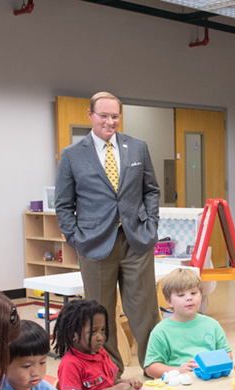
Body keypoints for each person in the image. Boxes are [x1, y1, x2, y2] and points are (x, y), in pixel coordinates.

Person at [55, 91, 161, 375]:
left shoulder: (137, 148)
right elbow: (64, 204)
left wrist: (151, 223)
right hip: (94, 243)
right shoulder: (72, 155)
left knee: (144, 308)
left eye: (115, 116)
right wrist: (75, 238)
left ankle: (153, 365)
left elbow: (151, 189)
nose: (110, 122)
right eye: (104, 116)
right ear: (90, 115)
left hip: (136, 239)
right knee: (99, 312)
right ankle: (109, 370)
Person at [143, 268, 231, 379]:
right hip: (179, 385)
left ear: (201, 295)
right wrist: (179, 370)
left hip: (210, 380)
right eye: (181, 295)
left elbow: (227, 355)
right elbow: (151, 368)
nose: (189, 298)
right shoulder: (160, 331)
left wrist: (212, 365)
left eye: (193, 293)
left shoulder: (212, 325)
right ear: (169, 301)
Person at [52, 299, 142, 390]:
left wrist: (125, 383)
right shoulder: (70, 364)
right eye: (93, 332)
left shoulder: (101, 353)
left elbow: (106, 383)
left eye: (102, 330)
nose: (100, 337)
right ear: (73, 335)